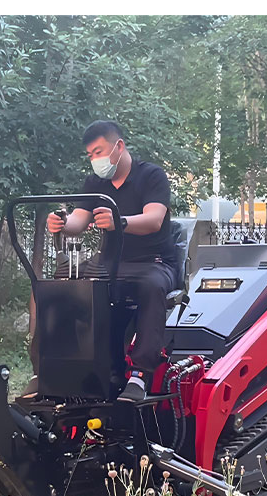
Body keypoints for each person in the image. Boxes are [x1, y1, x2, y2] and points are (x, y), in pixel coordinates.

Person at [25, 119, 179, 402]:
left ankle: (140, 375)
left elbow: (154, 220)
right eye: (90, 155)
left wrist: (119, 221)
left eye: (98, 151)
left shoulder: (152, 176)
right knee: (49, 286)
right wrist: (61, 223)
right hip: (108, 264)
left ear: (118, 147)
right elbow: (78, 222)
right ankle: (45, 370)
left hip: (153, 262)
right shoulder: (95, 183)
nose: (95, 160)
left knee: (151, 286)